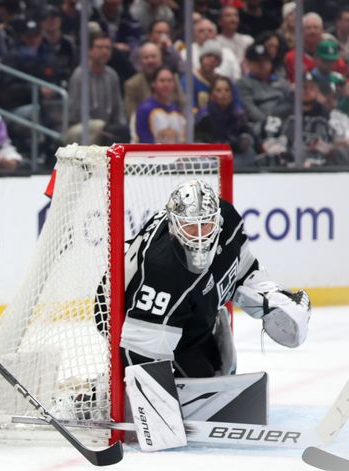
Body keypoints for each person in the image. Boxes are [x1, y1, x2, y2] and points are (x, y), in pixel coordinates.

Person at [113, 180, 310, 379]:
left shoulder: (228, 219)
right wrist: (148, 396)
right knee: (145, 379)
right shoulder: (163, 268)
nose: (198, 235)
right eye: (189, 226)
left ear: (217, 219)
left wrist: (268, 295)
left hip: (187, 323)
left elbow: (240, 269)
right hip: (123, 314)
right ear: (173, 223)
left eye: (205, 224)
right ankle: (104, 391)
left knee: (213, 376)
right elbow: (140, 353)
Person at [134, 66, 186, 143]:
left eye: (169, 81)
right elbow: (144, 141)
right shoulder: (144, 110)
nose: (166, 84)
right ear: (153, 83)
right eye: (162, 81)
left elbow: (183, 140)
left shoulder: (177, 109)